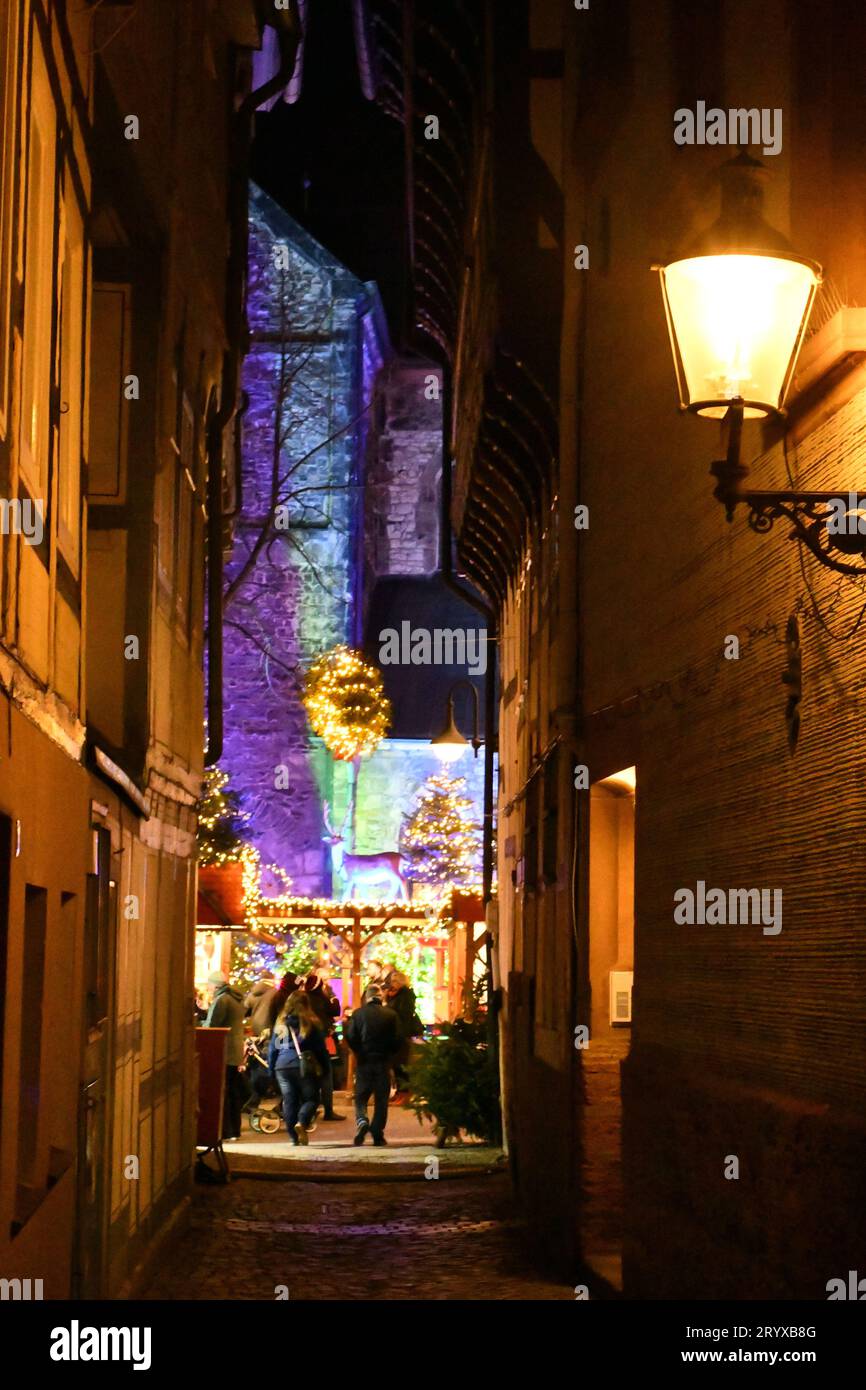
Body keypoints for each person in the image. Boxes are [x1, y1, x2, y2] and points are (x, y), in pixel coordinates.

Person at [267, 989, 330, 1145]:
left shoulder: (280, 1023)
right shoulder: (311, 1023)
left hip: (282, 1066)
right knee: (312, 1098)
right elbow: (320, 1049)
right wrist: (325, 1068)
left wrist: (271, 1069)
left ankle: (293, 1137)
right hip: (304, 1065)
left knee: (289, 1101)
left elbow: (273, 1048)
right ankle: (301, 1122)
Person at [345, 984, 400, 1146]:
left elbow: (350, 1036)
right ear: (380, 997)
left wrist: (359, 1051)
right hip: (383, 1061)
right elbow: (398, 1038)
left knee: (361, 1096)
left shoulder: (358, 1014)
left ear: (367, 997)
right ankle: (377, 1133)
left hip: (364, 1061)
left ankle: (362, 1121)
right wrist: (390, 1054)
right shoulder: (391, 1015)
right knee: (381, 1099)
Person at [204, 971, 247, 1140]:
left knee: (224, 1093)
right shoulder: (236, 999)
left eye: (209, 985)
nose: (208, 988)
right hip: (234, 1052)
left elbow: (212, 1026)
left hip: (224, 1051)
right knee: (233, 1092)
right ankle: (235, 1129)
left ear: (215, 985)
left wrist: (202, 1019)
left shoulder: (221, 1000)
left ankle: (226, 1130)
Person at [304, 970, 344, 1121]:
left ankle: (310, 1108)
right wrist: (333, 998)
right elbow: (335, 1010)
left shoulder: (304, 999)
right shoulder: (322, 998)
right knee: (326, 1074)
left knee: (310, 1076)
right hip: (323, 1039)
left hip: (306, 1042)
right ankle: (328, 1110)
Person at [385, 969, 423, 1100]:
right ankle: (400, 1090)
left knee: (401, 1063)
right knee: (396, 1063)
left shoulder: (405, 996)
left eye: (395, 981)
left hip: (401, 1033)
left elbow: (402, 1014)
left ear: (401, 982)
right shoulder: (393, 995)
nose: (392, 983)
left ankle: (404, 1091)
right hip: (393, 1033)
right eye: (392, 981)